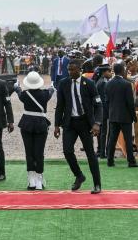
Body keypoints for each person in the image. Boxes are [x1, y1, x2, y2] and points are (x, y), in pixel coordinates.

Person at [54, 59, 103, 194]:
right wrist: (57, 125)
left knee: (90, 154)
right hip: (69, 123)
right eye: (69, 69)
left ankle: (97, 184)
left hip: (85, 123)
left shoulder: (90, 83)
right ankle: (79, 176)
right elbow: (60, 106)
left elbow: (98, 105)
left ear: (80, 70)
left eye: (73, 70)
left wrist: (97, 123)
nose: (70, 72)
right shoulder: (63, 83)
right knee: (67, 151)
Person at [14, 71, 54, 190]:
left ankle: (31, 179)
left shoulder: (24, 95)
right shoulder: (45, 94)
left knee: (29, 152)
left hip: (26, 123)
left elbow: (18, 90)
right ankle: (39, 180)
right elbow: (51, 90)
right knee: (39, 152)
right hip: (40, 124)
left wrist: (17, 86)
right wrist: (52, 86)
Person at [106, 62, 138, 167]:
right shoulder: (126, 84)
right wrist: (134, 116)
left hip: (113, 116)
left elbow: (107, 101)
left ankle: (110, 160)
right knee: (128, 139)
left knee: (112, 139)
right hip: (125, 117)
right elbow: (130, 103)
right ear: (122, 71)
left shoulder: (109, 83)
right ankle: (131, 161)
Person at [95, 64, 112, 158]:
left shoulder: (101, 81)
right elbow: (103, 100)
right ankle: (103, 153)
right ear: (104, 72)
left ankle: (102, 152)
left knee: (103, 132)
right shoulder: (102, 83)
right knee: (104, 132)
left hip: (103, 111)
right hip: (104, 111)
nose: (110, 73)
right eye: (109, 71)